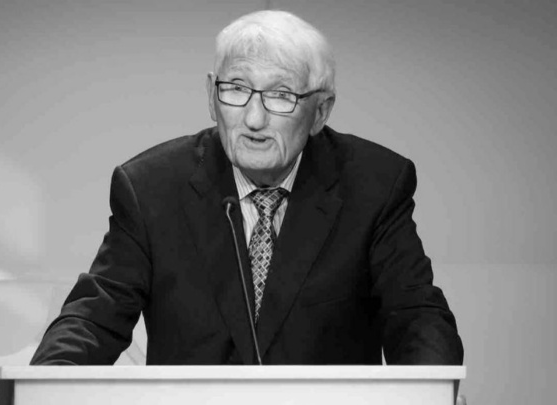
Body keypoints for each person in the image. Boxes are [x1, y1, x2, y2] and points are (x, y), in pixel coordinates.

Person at [30, 10, 463, 367]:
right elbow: (94, 318)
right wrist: (46, 384)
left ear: (320, 112)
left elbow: (416, 317)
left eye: (281, 95)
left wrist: (432, 392)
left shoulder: (374, 185)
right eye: (236, 89)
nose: (254, 119)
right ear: (210, 95)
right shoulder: (151, 188)